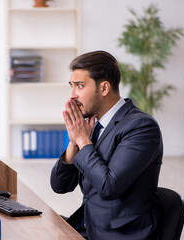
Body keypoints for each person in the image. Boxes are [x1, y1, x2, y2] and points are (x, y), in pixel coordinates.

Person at [50, 50, 163, 240]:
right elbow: (60, 185)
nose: (72, 95)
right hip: (88, 228)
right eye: (71, 86)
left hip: (119, 235)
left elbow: (109, 187)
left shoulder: (141, 127)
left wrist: (83, 141)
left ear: (104, 88)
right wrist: (73, 143)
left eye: (79, 86)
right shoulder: (92, 125)